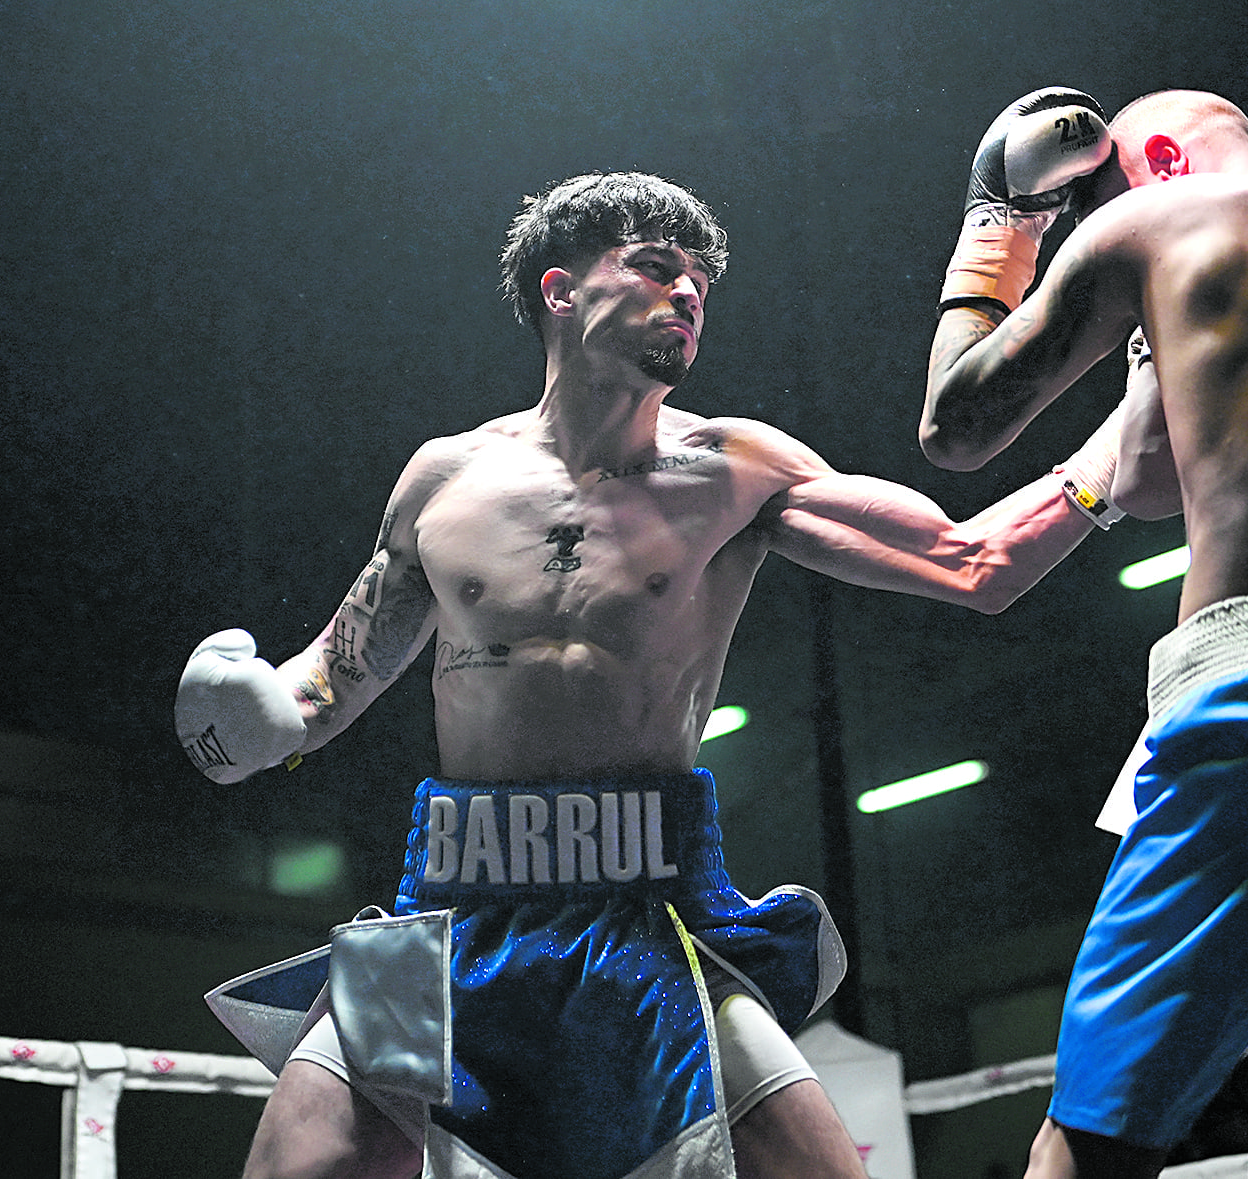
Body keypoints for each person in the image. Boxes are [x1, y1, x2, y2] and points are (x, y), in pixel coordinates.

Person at [177, 170, 1129, 1179]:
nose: (685, 295)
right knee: (301, 1165)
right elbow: (330, 679)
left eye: (700, 284)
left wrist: (1121, 440)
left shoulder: (734, 470)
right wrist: (254, 722)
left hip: (652, 912)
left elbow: (968, 565)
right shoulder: (442, 479)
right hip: (451, 914)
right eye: (654, 266)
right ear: (559, 291)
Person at [921, 87, 1248, 1179]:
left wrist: (1002, 224)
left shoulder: (1151, 220)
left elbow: (955, 424)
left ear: (1154, 156)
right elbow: (1156, 477)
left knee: (1094, 1134)